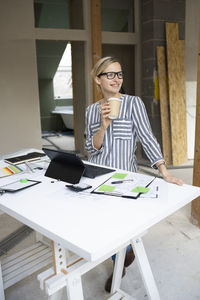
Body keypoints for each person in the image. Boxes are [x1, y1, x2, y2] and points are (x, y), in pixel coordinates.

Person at [85, 56, 184, 292]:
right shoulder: (91, 110)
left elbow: (147, 139)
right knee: (103, 229)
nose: (116, 79)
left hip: (125, 179)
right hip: (98, 179)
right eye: (109, 74)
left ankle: (120, 264)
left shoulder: (133, 103)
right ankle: (119, 259)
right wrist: (103, 125)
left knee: (122, 229)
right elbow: (90, 148)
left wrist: (164, 172)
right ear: (97, 79)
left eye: (119, 74)